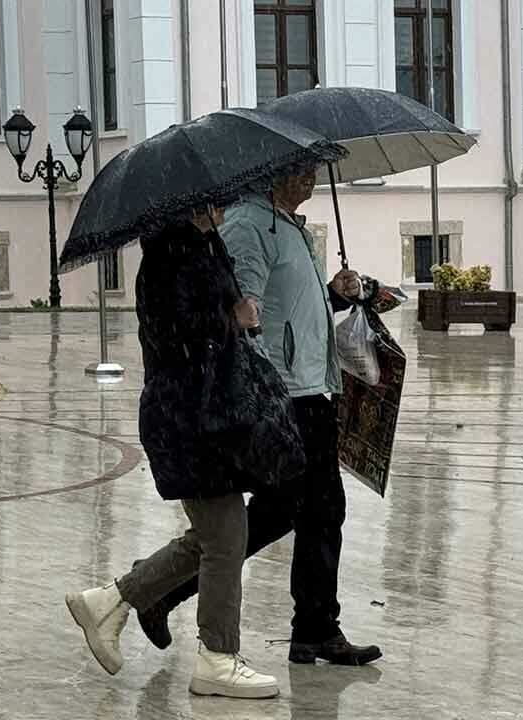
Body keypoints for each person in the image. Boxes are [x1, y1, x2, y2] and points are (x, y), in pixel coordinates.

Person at [134, 167, 382, 667]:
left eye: (314, 168)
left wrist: (334, 293)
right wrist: (265, 386)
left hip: (313, 385)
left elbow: (284, 306)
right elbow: (243, 312)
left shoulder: (288, 224)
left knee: (308, 510)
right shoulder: (251, 226)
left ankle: (309, 625)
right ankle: (165, 591)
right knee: (293, 510)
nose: (311, 178)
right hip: (285, 393)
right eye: (302, 169)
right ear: (276, 173)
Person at [65, 207, 304, 699]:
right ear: (188, 203)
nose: (221, 208)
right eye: (212, 201)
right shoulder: (169, 258)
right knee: (225, 537)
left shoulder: (200, 247)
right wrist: (231, 318)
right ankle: (216, 657)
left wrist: (236, 318)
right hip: (188, 419)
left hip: (209, 414)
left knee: (221, 535)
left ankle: (110, 600)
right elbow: (179, 338)